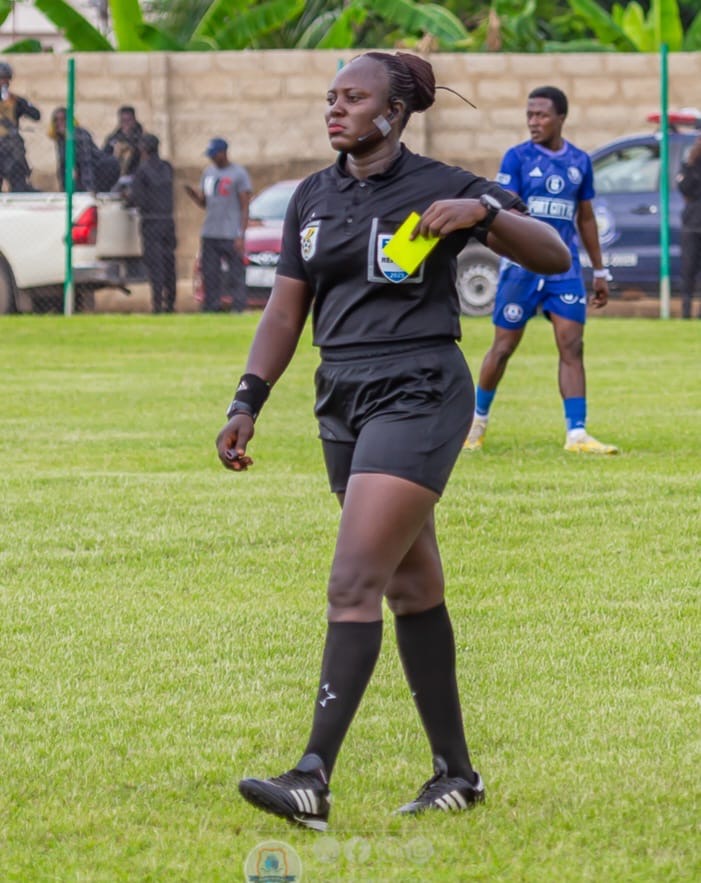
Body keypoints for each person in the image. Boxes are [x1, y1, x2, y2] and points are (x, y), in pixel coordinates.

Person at [215, 52, 570, 831]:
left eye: (352, 97)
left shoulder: (445, 183)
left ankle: (312, 775)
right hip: (339, 394)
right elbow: (284, 312)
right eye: (330, 98)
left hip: (416, 389)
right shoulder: (313, 194)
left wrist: (483, 216)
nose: (334, 110)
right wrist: (248, 399)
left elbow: (553, 253)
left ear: (393, 111)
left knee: (353, 579)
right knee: (412, 585)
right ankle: (457, 773)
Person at [463, 85, 619, 455]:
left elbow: (585, 218)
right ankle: (476, 425)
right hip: (520, 269)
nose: (534, 122)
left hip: (562, 269)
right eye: (529, 115)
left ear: (561, 118)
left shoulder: (579, 162)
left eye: (542, 115)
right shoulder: (516, 158)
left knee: (572, 345)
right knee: (502, 347)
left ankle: (577, 435)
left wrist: (599, 271)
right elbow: (506, 215)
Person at [184, 137, 252, 313]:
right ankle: (212, 307)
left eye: (215, 154)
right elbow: (205, 203)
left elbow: (245, 206)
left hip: (230, 233)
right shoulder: (208, 173)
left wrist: (241, 234)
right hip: (210, 232)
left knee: (236, 273)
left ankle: (238, 307)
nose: (212, 158)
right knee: (210, 273)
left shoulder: (239, 174)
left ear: (224, 153)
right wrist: (193, 195)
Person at [124, 134, 177, 313]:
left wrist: (127, 198)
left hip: (151, 221)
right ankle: (170, 302)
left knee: (155, 265)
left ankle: (157, 304)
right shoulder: (167, 168)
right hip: (168, 220)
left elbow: (136, 198)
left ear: (143, 149)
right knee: (169, 262)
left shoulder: (142, 171)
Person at [49, 106, 120, 194]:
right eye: (56, 120)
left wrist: (89, 189)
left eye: (64, 119)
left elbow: (86, 162)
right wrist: (64, 190)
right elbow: (63, 166)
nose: (60, 122)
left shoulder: (79, 134)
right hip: (88, 172)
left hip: (104, 169)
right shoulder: (61, 139)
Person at [0, 61, 40, 192]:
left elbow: (36, 115)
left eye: (6, 79)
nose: (4, 82)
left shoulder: (15, 100)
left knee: (18, 185)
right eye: (1, 79)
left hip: (11, 150)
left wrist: (19, 102)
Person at [676, 135, 701, 319]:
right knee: (688, 270)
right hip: (692, 226)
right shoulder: (691, 164)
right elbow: (684, 187)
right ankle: (686, 312)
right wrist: (691, 161)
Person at [103, 105, 144, 178]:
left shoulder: (142, 138)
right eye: (123, 120)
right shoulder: (113, 138)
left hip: (136, 175)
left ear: (134, 120)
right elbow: (104, 155)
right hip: (116, 175)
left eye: (128, 120)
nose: (126, 123)